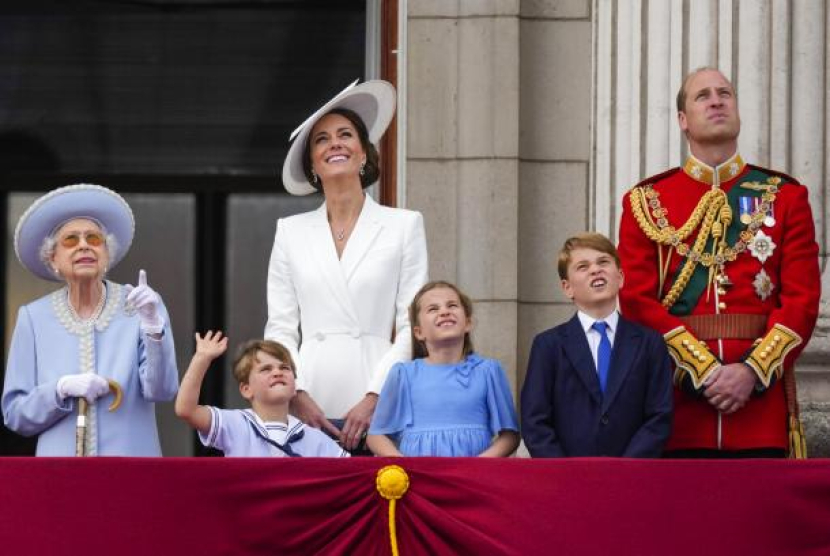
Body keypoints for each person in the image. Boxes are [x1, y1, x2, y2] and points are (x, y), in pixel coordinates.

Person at [617, 67, 820, 458]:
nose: (716, 101)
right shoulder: (646, 202)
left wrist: (752, 372)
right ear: (682, 120)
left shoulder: (785, 197)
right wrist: (704, 372)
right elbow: (637, 302)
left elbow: (802, 299)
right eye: (702, 96)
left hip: (759, 411)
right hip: (678, 409)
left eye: (725, 93)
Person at [267, 80, 428, 453]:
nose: (334, 143)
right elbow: (280, 327)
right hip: (310, 399)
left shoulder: (404, 225)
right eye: (321, 139)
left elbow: (411, 324)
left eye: (345, 135)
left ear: (363, 154)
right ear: (312, 163)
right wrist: (296, 392)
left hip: (380, 396)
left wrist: (376, 396)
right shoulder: (290, 232)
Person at [2, 184, 178, 456]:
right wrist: (59, 390)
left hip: (131, 469)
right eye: (71, 240)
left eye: (94, 239)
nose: (84, 245)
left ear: (106, 255)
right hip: (60, 474)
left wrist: (154, 328)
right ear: (53, 259)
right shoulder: (33, 318)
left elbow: (163, 391)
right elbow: (16, 415)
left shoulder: (141, 305)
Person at [521, 233, 673, 457]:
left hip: (632, 475)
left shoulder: (649, 343)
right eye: (583, 267)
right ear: (567, 288)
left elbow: (659, 416)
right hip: (567, 479)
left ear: (620, 277)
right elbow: (535, 420)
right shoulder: (548, 346)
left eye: (603, 262)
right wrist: (564, 473)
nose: (595, 270)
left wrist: (626, 469)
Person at [366, 281, 519, 457]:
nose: (445, 312)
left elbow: (510, 435)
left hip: (472, 478)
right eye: (433, 309)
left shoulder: (488, 371)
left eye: (452, 305)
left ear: (468, 323)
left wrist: (479, 465)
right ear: (418, 332)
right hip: (418, 478)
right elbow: (376, 435)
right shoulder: (403, 375)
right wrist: (405, 465)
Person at [175, 332, 347, 457]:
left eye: (284, 368)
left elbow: (351, 474)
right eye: (266, 369)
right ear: (246, 389)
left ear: (295, 386)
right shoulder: (234, 424)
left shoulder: (315, 438)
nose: (277, 372)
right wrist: (202, 358)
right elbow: (186, 410)